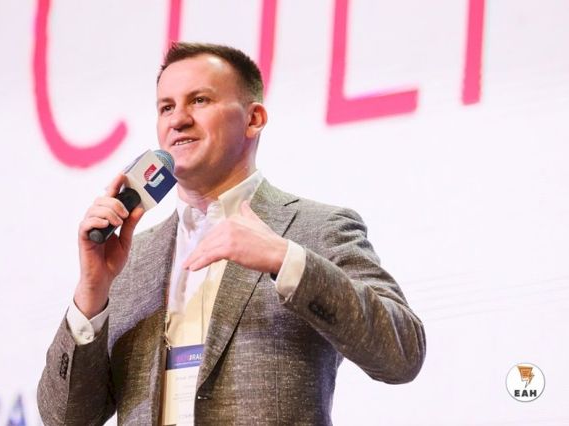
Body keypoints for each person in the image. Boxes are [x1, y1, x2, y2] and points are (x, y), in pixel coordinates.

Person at [37, 42, 426, 425]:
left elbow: (403, 353)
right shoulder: (132, 257)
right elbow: (63, 418)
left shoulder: (314, 228)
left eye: (199, 100)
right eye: (166, 107)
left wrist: (285, 259)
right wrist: (92, 291)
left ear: (253, 119)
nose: (178, 120)